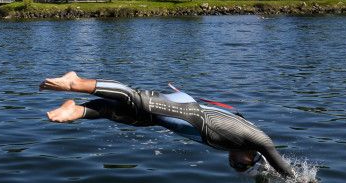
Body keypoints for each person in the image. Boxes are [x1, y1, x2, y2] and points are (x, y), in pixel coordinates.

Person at [39, 71, 293, 176]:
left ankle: (76, 110)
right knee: (135, 99)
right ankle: (76, 82)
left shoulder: (232, 145)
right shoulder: (258, 140)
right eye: (242, 165)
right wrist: (299, 180)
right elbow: (276, 160)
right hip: (187, 112)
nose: (235, 164)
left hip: (176, 118)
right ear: (252, 155)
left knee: (128, 116)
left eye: (237, 167)